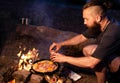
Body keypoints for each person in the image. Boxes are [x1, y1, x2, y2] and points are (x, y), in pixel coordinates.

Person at [49, 1, 120, 83]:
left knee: (110, 63)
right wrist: (61, 44)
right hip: (114, 53)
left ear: (98, 18)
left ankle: (114, 78)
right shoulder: (101, 24)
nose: (84, 22)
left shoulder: (112, 32)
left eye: (86, 19)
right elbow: (81, 37)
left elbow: (92, 62)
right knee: (88, 49)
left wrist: (64, 58)